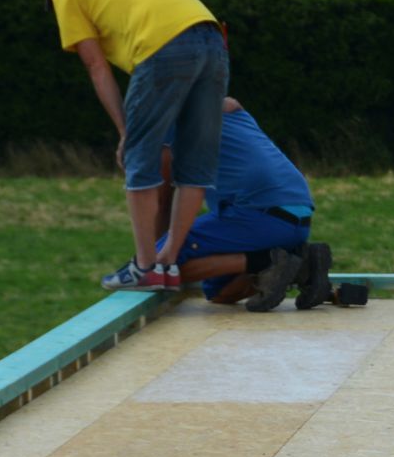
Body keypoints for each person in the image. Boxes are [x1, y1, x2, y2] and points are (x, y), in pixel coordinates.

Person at [43, 0, 228, 292]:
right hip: (213, 40)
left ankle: (145, 267)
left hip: (162, 46)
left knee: (139, 158)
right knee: (197, 164)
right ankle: (168, 262)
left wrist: (124, 132)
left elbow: (96, 67)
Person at [138, 97, 335, 312]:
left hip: (259, 214)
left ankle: (266, 262)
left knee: (150, 270)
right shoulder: (228, 107)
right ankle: (299, 266)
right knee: (218, 292)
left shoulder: (165, 129)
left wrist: (158, 258)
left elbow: (163, 203)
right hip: (298, 220)